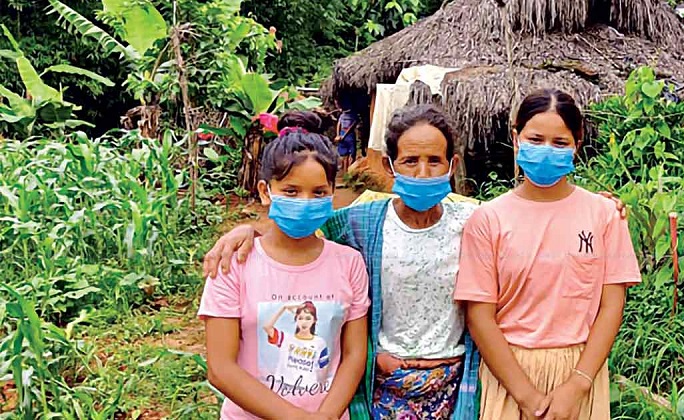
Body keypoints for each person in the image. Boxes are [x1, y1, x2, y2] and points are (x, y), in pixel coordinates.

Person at [202, 105, 627, 420]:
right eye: (410, 161)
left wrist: (601, 207)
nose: (423, 172)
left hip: (456, 388)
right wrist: (249, 231)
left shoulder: (475, 220)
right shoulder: (361, 222)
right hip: (382, 389)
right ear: (390, 165)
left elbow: (529, 221)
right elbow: (302, 228)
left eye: (434, 161)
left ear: (451, 165)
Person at [454, 89, 642, 420]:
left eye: (559, 143)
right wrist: (526, 397)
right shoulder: (488, 219)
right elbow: (480, 316)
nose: (546, 150)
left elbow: (612, 305)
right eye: (535, 140)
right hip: (508, 375)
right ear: (516, 138)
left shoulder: (604, 215)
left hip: (581, 372)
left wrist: (577, 385)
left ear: (577, 144)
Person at [199, 111, 370, 420]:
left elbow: (354, 354)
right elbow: (221, 368)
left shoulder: (349, 263)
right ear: (265, 192)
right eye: (291, 191)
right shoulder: (233, 264)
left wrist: (327, 415)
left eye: (318, 192)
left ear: (333, 193)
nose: (305, 201)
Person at [335, 100, 359, 175]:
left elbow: (339, 125)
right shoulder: (353, 115)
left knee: (346, 155)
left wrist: (339, 135)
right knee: (351, 154)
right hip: (349, 135)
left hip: (344, 133)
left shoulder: (342, 115)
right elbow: (351, 127)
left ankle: (346, 173)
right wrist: (341, 135)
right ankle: (347, 173)